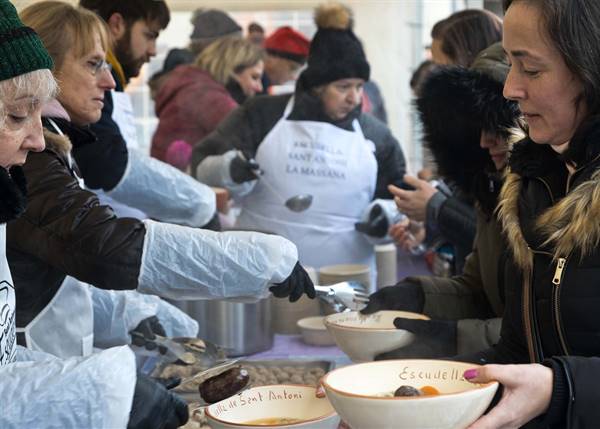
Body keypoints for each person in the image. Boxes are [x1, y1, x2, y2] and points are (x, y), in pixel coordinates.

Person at [12, 1, 314, 359]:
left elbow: (60, 263)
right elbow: (100, 244)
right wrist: (258, 260)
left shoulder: (59, 143)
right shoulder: (32, 156)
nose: (109, 80)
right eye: (94, 64)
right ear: (45, 72)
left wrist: (130, 313)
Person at [0, 2, 187, 427]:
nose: (34, 139)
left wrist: (97, 382)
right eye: (16, 114)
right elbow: (104, 246)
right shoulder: (33, 171)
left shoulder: (26, 167)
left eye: (37, 114)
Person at [192, 2, 406, 284]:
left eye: (358, 86)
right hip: (258, 277)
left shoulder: (375, 135)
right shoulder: (261, 114)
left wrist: (384, 215)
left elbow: (400, 197)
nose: (354, 98)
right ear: (317, 86)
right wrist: (229, 169)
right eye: (343, 87)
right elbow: (199, 165)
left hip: (345, 283)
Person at [461, 1, 600, 427]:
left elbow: (550, 381)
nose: (510, 89)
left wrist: (564, 388)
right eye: (510, 64)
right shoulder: (534, 180)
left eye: (532, 69)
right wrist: (408, 398)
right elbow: (520, 351)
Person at [361, 43, 521, 359]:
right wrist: (419, 295)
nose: (484, 141)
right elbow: (478, 291)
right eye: (477, 127)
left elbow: (549, 330)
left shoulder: (555, 200)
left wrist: (457, 337)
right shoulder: (492, 194)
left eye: (498, 125)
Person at [75, 0, 219, 227]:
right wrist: (197, 202)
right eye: (149, 35)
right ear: (116, 24)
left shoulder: (116, 84)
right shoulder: (88, 93)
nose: (153, 50)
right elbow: (108, 162)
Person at [393, 9, 503, 274]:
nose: (436, 81)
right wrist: (429, 229)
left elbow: (500, 243)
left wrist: (435, 207)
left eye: (442, 68)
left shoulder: (502, 140)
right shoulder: (463, 136)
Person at [151, 37, 264, 170]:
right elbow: (253, 141)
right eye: (254, 77)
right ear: (232, 70)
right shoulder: (210, 98)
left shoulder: (193, 85)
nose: (259, 88)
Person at [261, 26, 310, 94]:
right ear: (272, 59)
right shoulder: (254, 90)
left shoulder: (262, 86)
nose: (293, 77)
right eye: (292, 68)